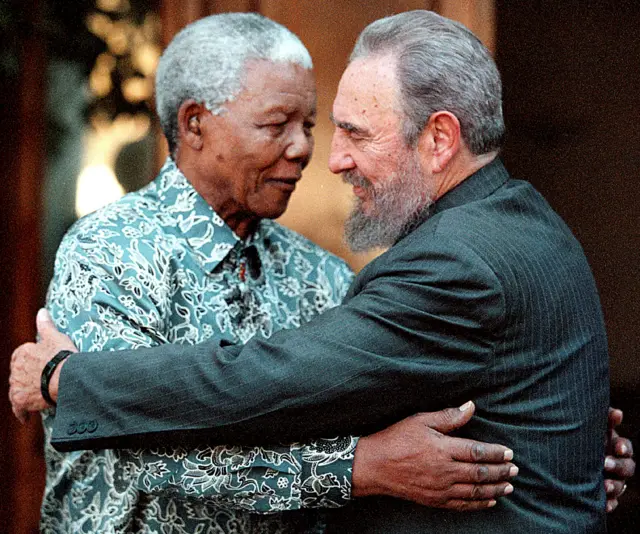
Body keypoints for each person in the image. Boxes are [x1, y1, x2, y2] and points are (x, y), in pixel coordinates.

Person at [9, 9, 635, 532]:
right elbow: (133, 451)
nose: (315, 153)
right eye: (277, 124)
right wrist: (359, 468)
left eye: (313, 125)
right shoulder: (110, 250)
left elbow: (309, 389)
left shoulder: (327, 271)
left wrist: (553, 444)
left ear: (439, 139)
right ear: (195, 124)